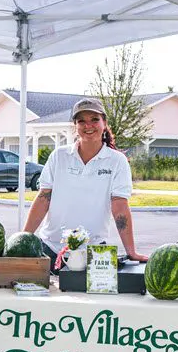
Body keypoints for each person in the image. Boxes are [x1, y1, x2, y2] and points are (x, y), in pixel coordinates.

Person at [22, 98, 147, 266]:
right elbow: (44, 198)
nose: (88, 126)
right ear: (76, 126)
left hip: (94, 253)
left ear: (104, 122)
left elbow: (120, 206)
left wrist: (131, 251)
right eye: (82, 121)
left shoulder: (117, 161)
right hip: (51, 249)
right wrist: (22, 240)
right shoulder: (59, 156)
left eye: (94, 119)